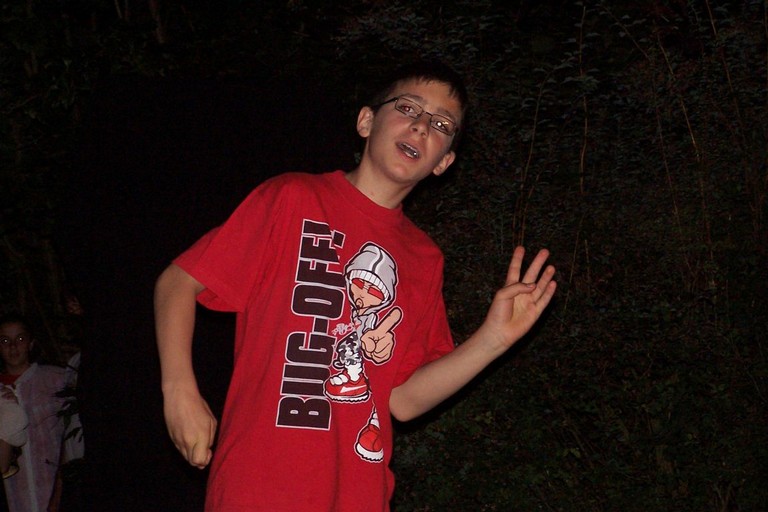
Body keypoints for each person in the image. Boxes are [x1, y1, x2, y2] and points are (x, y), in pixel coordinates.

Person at [154, 60, 557, 511]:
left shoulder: (424, 259)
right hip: (258, 485)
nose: (422, 126)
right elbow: (178, 282)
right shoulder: (293, 198)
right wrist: (180, 393)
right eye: (408, 108)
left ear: (444, 162)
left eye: (442, 124)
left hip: (358, 495)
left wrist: (492, 340)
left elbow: (404, 399)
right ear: (367, 121)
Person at [0, 314, 67, 512]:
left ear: (31, 343)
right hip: (13, 495)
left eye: (20, 339)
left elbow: (72, 438)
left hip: (55, 490)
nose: (13, 347)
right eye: (5, 341)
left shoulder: (57, 380)